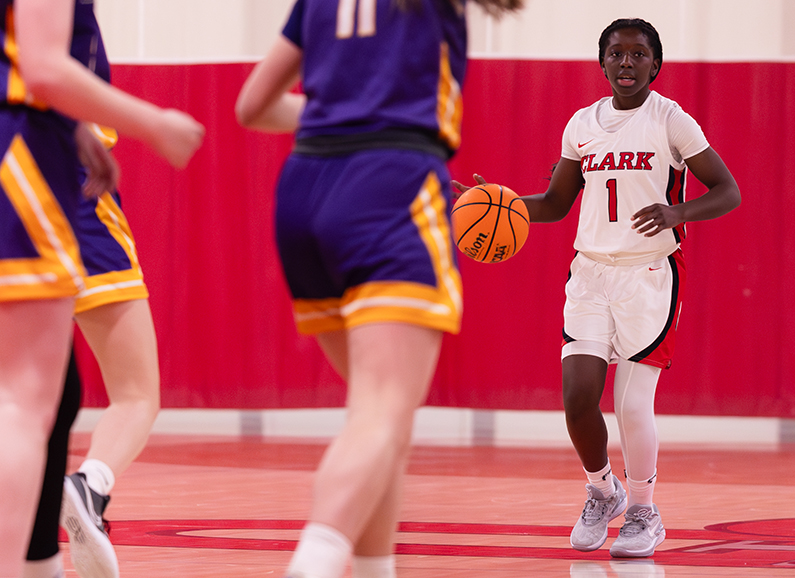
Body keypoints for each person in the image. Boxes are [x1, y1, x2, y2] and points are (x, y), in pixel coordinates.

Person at [235, 1, 522, 577]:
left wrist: (340, 112)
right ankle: (314, 562)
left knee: (382, 412)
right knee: (383, 409)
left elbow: (251, 107)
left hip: (303, 188)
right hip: (389, 182)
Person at [455, 18, 740, 559]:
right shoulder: (581, 124)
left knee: (633, 408)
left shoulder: (671, 119)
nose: (626, 63)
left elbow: (728, 191)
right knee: (578, 399)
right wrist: (502, 202)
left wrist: (678, 210)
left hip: (649, 276)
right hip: (589, 274)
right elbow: (556, 203)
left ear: (655, 65)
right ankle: (602, 490)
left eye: (637, 55)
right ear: (602, 62)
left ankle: (643, 511)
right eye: (616, 54)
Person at [0, 0, 204, 576]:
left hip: (47, 151)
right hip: (38, 167)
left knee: (53, 397)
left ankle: (42, 564)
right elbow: (41, 66)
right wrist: (154, 123)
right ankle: (89, 488)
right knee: (119, 393)